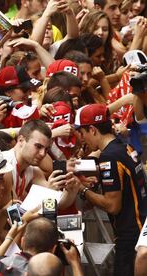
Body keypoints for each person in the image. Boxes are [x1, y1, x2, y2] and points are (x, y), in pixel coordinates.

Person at [75, 103, 147, 276]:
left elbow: (112, 205)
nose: (82, 139)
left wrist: (82, 190)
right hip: (140, 224)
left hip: (131, 236)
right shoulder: (122, 144)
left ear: (92, 129)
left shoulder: (109, 156)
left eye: (82, 133)